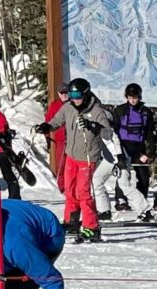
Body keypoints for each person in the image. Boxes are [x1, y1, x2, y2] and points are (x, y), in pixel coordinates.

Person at [42, 78, 109, 241]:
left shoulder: (97, 111)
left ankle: (91, 226)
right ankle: (72, 221)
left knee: (83, 192)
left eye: (77, 95)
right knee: (70, 190)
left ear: (85, 94)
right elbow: (56, 121)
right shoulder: (68, 107)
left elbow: (108, 132)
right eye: (71, 95)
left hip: (87, 157)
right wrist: (46, 127)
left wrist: (93, 126)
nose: (74, 98)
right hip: (71, 155)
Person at [113, 84, 156, 211]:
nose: (133, 100)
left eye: (135, 98)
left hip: (139, 148)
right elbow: (114, 130)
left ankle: (141, 200)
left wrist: (151, 150)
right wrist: (117, 149)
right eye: (130, 98)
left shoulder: (145, 112)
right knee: (123, 174)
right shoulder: (120, 111)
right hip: (124, 146)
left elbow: (149, 132)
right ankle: (121, 200)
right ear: (126, 97)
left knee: (143, 175)